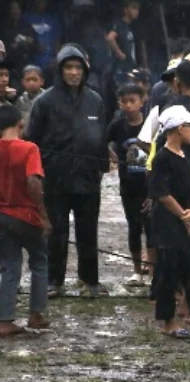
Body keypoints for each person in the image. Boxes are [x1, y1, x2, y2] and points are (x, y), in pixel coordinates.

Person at [24, 44, 107, 299]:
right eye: (69, 67)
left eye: (78, 67)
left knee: (88, 230)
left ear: (84, 70)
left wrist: (101, 166)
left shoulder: (95, 100)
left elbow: (101, 138)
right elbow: (32, 140)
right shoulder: (44, 101)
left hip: (88, 178)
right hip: (55, 178)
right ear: (60, 71)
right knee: (56, 231)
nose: (73, 73)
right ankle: (53, 280)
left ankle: (90, 280)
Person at [149, 105, 190, 339]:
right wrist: (182, 215)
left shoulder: (185, 156)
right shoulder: (162, 158)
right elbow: (161, 193)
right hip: (168, 223)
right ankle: (168, 321)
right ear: (179, 129)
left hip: (188, 219)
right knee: (169, 271)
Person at [0, 104, 50, 336]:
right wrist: (43, 214)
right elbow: (33, 181)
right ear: (20, 123)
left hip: (2, 216)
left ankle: (5, 320)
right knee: (39, 261)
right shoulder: (29, 148)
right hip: (26, 216)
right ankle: (36, 314)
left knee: (10, 266)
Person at [106, 82, 150, 287]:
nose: (129, 106)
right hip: (128, 185)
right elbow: (102, 142)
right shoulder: (117, 126)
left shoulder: (150, 124)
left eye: (133, 101)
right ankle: (137, 271)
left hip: (149, 185)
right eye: (124, 102)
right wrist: (113, 157)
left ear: (142, 101)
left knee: (152, 228)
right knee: (134, 226)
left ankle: (153, 266)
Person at [105, 0, 140, 88]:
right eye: (133, 8)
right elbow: (110, 38)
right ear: (125, 9)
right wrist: (120, 54)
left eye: (137, 9)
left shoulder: (130, 26)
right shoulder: (120, 24)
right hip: (121, 68)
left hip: (130, 66)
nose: (136, 12)